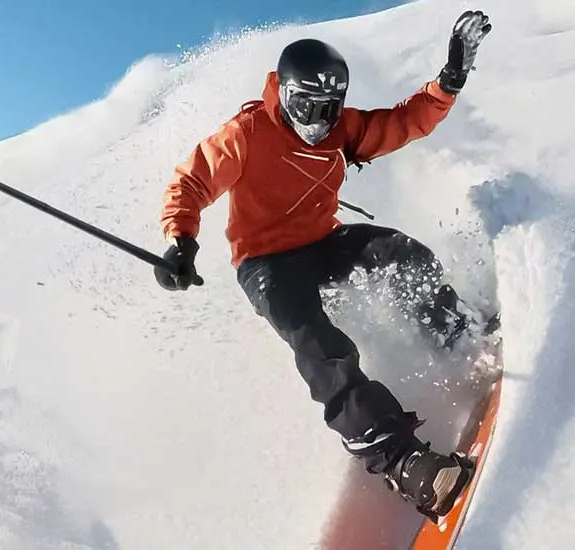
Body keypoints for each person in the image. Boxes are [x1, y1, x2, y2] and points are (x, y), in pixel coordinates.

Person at [153, 11, 493, 520]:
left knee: (401, 253)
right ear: (284, 96)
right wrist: (180, 239)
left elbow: (399, 123)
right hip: (266, 263)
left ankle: (457, 332)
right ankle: (398, 457)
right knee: (316, 341)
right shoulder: (247, 132)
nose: (317, 121)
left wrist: (448, 81)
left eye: (329, 109)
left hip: (321, 242)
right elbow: (192, 181)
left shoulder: (342, 129)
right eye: (305, 106)